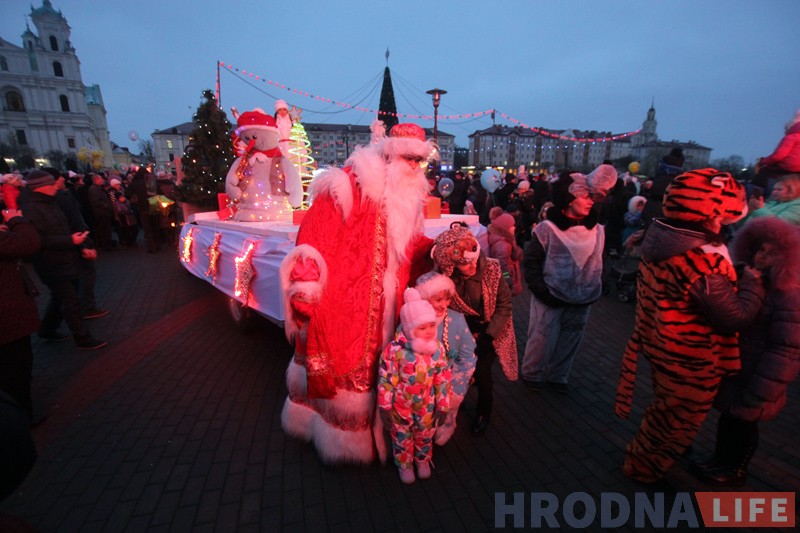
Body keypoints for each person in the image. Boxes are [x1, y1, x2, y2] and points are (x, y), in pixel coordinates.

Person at [278, 123, 437, 464]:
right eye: (409, 158)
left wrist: (436, 249)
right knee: (342, 367)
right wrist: (306, 287)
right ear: (389, 154)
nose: (414, 167)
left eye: (419, 161)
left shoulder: (406, 197)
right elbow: (314, 236)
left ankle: (378, 433)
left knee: (381, 370)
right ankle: (337, 440)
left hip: (386, 305)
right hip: (344, 302)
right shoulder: (348, 185)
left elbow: (407, 246)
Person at [614, 168, 764, 484]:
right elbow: (733, 317)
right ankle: (642, 466)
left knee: (665, 409)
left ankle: (657, 456)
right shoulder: (701, 258)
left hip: (661, 343)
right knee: (674, 419)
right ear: (713, 210)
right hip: (690, 357)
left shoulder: (663, 238)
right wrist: (752, 285)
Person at [692, 217, 800, 486]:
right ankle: (719, 458)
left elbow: (787, 349)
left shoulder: (789, 294)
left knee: (744, 423)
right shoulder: (752, 278)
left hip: (758, 372)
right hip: (739, 366)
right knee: (729, 417)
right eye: (760, 249)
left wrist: (764, 388)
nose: (761, 256)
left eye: (771, 253)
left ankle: (736, 468)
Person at [521, 172, 607, 393]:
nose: (590, 201)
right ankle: (532, 373)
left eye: (592, 197)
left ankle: (559, 375)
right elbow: (531, 264)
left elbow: (598, 262)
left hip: (583, 299)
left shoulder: (598, 230)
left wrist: (593, 286)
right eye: (585, 196)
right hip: (550, 296)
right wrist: (543, 292)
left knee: (571, 339)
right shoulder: (547, 229)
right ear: (569, 198)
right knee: (541, 338)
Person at [431, 222, 516, 435]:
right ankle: (452, 405)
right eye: (465, 263)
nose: (472, 266)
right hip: (459, 331)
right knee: (453, 369)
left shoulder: (492, 269)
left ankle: (484, 411)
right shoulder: (445, 277)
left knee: (483, 371)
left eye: (473, 260)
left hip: (489, 330)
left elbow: (504, 305)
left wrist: (489, 336)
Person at [18, 171, 107, 350]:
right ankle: (82, 337)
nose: (56, 186)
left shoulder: (50, 202)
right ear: (40, 187)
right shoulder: (31, 208)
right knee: (70, 300)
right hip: (50, 262)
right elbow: (36, 240)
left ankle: (47, 329)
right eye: (52, 184)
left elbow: (66, 227)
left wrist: (81, 246)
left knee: (61, 298)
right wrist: (71, 241)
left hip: (65, 257)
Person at [378, 288, 450, 484]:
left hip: (427, 405)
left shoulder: (437, 349)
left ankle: (423, 461)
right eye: (422, 327)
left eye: (431, 325)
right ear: (409, 329)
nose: (429, 331)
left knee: (425, 435)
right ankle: (405, 465)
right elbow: (386, 379)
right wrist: (384, 407)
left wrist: (443, 405)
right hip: (401, 405)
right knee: (401, 437)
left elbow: (442, 378)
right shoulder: (395, 350)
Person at [413, 271, 477, 445]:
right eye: (438, 300)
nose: (444, 305)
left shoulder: (457, 319)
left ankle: (446, 427)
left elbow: (468, 357)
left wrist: (456, 389)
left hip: (448, 383)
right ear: (424, 299)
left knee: (444, 417)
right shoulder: (411, 320)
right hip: (419, 387)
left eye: (447, 299)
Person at [48, 168, 107, 319]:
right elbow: (75, 221)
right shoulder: (63, 198)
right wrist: (85, 244)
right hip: (75, 240)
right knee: (84, 274)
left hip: (66, 242)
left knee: (67, 284)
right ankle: (86, 308)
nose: (63, 179)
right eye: (60, 177)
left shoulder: (51, 199)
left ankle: (65, 316)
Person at [0, 205, 41, 421]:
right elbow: (29, 243)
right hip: (8, 318)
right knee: (16, 369)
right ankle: (21, 417)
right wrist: (16, 220)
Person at [754, 109, 800, 192]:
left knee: (764, 172)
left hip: (790, 168)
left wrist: (762, 162)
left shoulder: (791, 137)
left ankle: (763, 193)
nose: (785, 132)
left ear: (790, 128)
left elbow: (778, 156)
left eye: (785, 130)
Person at [487, 212, 523, 296]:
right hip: (508, 284)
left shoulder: (504, 240)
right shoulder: (503, 246)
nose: (514, 227)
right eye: (512, 226)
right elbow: (503, 269)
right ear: (505, 227)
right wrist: (509, 282)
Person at [87, 173, 115, 251]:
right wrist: (107, 206)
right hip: (101, 213)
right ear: (97, 180)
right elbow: (97, 202)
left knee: (106, 229)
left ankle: (108, 243)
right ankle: (106, 245)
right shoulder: (93, 189)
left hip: (104, 212)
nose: (102, 180)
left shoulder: (98, 188)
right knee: (104, 229)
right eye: (101, 179)